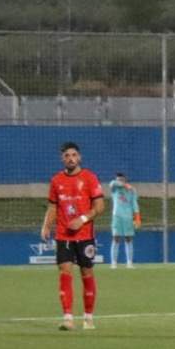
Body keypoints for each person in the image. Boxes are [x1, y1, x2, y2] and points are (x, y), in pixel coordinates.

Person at [41, 142, 105, 331]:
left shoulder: (90, 178)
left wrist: (82, 219)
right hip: (63, 235)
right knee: (65, 272)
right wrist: (46, 226)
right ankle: (68, 317)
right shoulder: (56, 181)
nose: (70, 158)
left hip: (85, 235)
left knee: (86, 272)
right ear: (62, 158)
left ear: (80, 157)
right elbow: (53, 207)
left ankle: (88, 317)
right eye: (67, 155)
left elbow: (100, 207)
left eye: (74, 155)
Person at [106, 172, 140, 269]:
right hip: (117, 216)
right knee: (116, 238)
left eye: (121, 179)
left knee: (128, 239)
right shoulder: (115, 189)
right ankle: (114, 262)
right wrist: (123, 184)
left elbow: (134, 203)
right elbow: (111, 183)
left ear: (125, 179)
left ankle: (129, 262)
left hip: (128, 217)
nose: (119, 181)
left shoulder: (131, 190)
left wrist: (137, 217)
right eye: (118, 180)